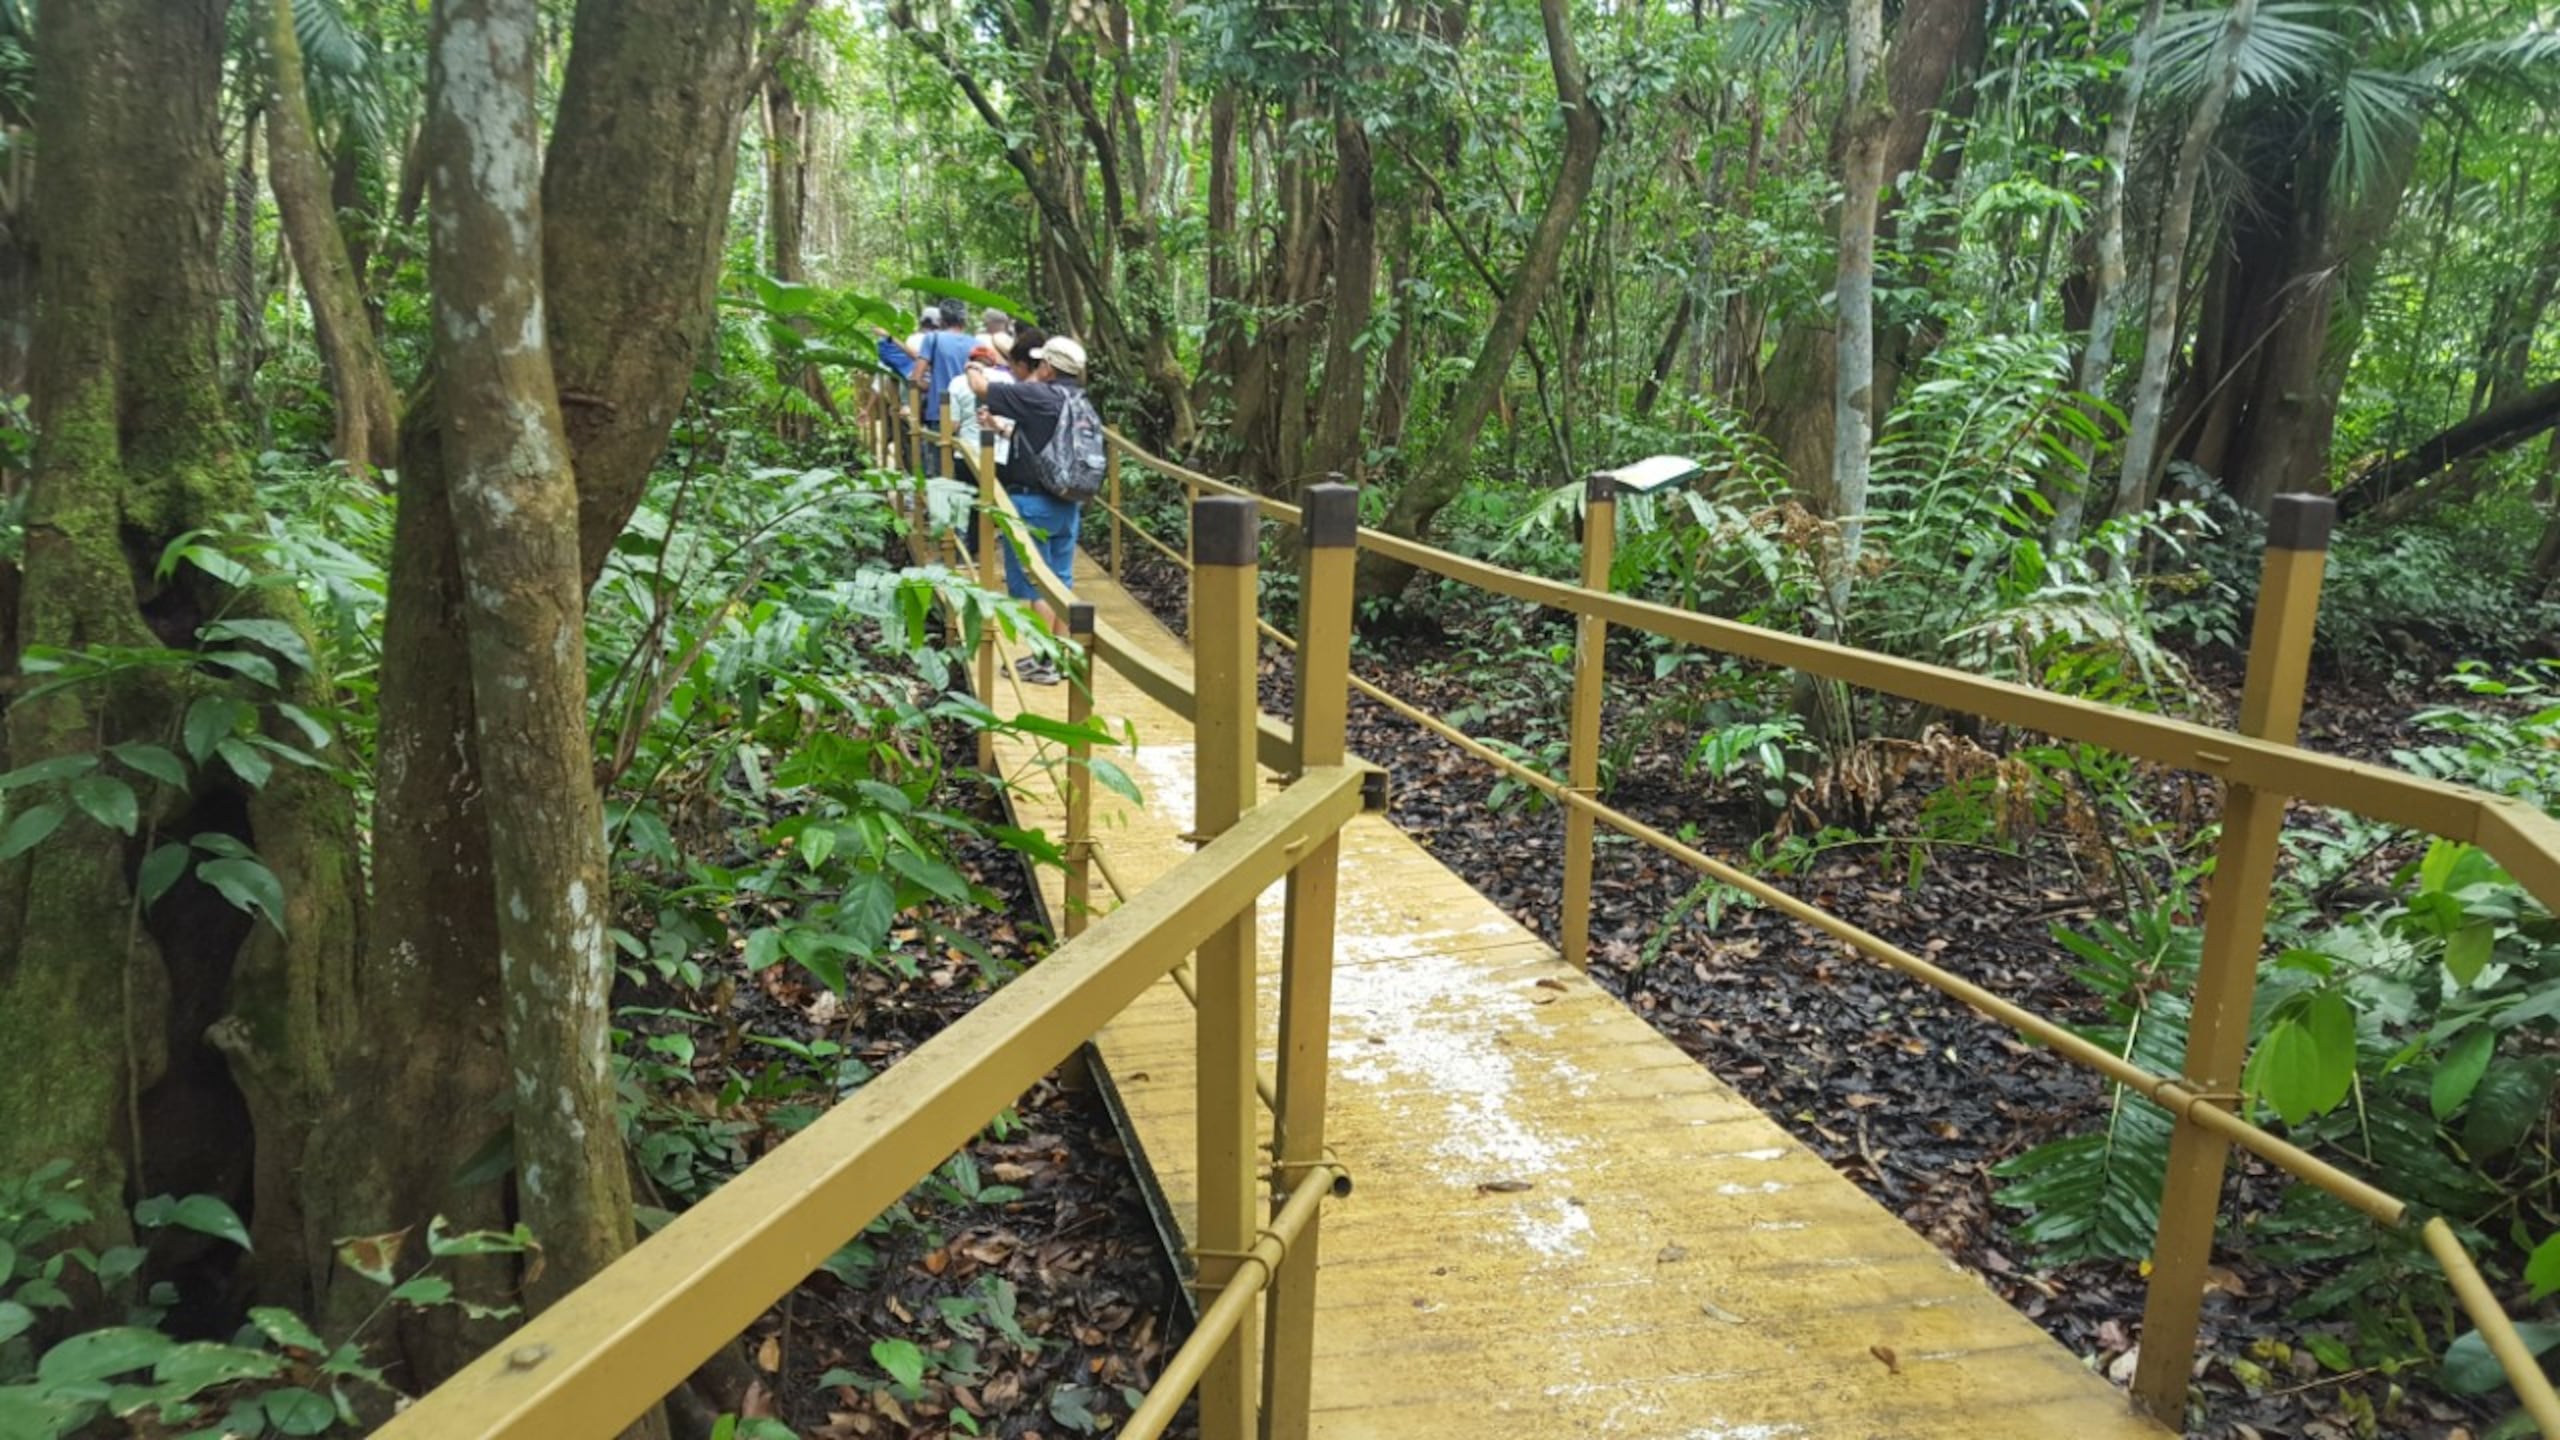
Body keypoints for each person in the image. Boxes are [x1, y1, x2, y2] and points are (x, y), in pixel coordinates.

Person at [970, 332, 1094, 685]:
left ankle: (1044, 661)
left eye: (1041, 363)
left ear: (1049, 366)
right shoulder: (1078, 399)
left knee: (1033, 585)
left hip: (1033, 503)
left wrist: (975, 362)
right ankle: (1058, 657)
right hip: (1067, 501)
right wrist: (1001, 429)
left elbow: (979, 387)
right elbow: (1047, 443)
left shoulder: (1038, 393)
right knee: (1060, 582)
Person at [911, 306, 976, 475]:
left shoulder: (933, 339)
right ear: (965, 321)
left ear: (941, 321)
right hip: (970, 414)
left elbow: (916, 378)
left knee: (940, 469)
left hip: (941, 413)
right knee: (969, 468)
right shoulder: (976, 343)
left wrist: (932, 388)